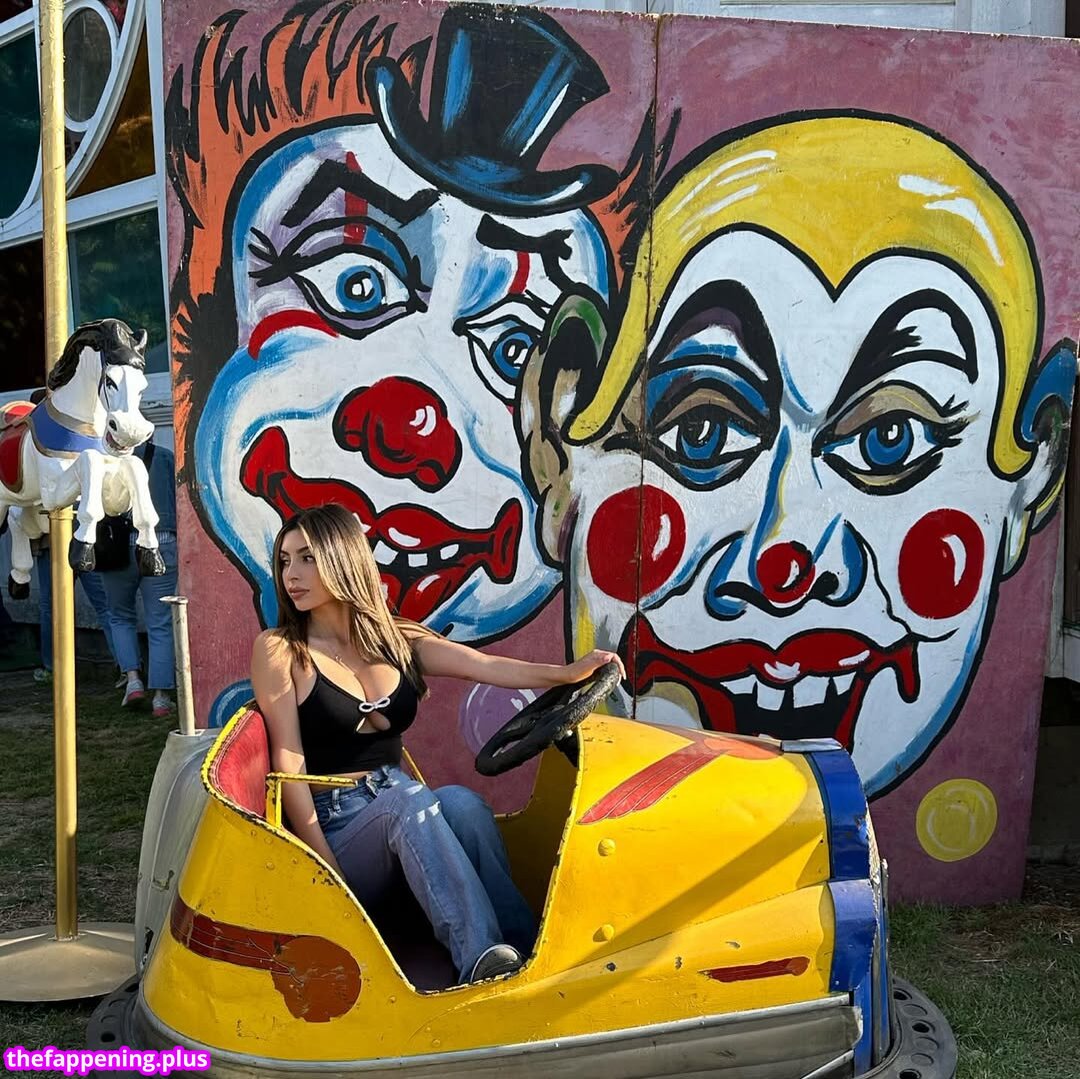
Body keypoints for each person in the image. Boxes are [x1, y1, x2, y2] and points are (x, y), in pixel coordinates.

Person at [250, 503, 622, 985]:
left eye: (307, 558)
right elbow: (288, 764)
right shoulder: (281, 650)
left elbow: (484, 666)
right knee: (409, 803)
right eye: (284, 561)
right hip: (336, 828)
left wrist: (567, 673)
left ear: (344, 558)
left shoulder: (394, 640)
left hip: (398, 801)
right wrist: (324, 869)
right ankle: (479, 959)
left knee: (463, 804)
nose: (291, 575)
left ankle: (526, 952)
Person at [100, 436, 179, 716]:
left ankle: (133, 681)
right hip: (162, 542)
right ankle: (161, 698)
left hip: (117, 546)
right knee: (161, 622)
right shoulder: (166, 457)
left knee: (119, 616)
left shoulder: (105, 460)